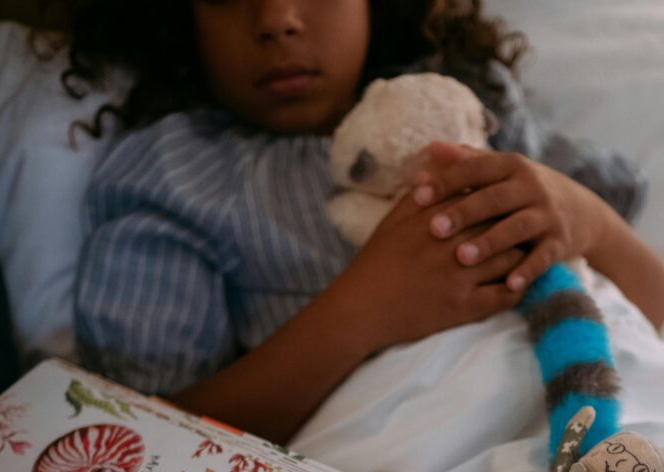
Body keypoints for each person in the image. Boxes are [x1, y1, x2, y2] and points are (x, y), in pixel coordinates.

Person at [65, 0, 664, 444]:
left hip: (622, 419)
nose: (277, 18)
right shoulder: (176, 178)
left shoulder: (471, 98)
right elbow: (143, 436)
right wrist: (362, 313)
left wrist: (591, 223)